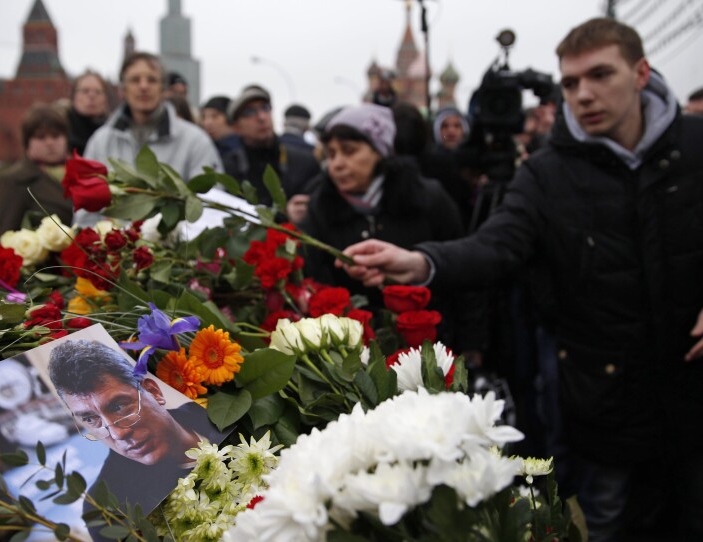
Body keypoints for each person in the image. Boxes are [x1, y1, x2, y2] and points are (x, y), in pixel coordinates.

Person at [340, 18, 703, 541]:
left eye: (601, 75)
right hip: (607, 403)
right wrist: (418, 262)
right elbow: (495, 245)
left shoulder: (694, 145)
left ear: (642, 72)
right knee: (607, 523)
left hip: (694, 393)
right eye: (571, 83)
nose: (584, 94)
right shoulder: (549, 171)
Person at [300, 103, 482, 352]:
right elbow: (312, 279)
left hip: (431, 350)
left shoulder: (428, 198)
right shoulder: (320, 208)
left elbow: (463, 275)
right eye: (331, 154)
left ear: (380, 151)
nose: (337, 164)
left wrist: (472, 347)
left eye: (349, 151)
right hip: (352, 357)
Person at [48, 339, 228, 531]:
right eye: (91, 420)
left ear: (153, 391)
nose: (117, 434)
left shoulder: (220, 410)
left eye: (119, 406)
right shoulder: (107, 510)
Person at [83, 52, 221, 181]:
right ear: (123, 89)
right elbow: (86, 198)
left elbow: (210, 196)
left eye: (152, 80)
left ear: (163, 88)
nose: (144, 86)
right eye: (135, 80)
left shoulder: (195, 141)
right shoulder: (101, 142)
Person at [223, 86, 320, 223]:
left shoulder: (304, 163)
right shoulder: (230, 168)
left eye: (265, 108)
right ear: (236, 127)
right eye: (249, 112)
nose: (261, 117)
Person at [0, 103, 71, 237]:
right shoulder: (14, 181)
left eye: (56, 136)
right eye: (41, 137)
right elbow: (5, 237)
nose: (50, 143)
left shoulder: (82, 174)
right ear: (27, 143)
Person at [67, 70, 111, 156]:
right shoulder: (61, 129)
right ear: (74, 97)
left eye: (98, 92)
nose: (91, 96)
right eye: (85, 91)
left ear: (105, 99)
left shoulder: (115, 132)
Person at [200, 95, 241, 159]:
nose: (207, 122)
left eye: (215, 116)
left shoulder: (246, 150)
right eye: (204, 117)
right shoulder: (201, 150)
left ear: (230, 118)